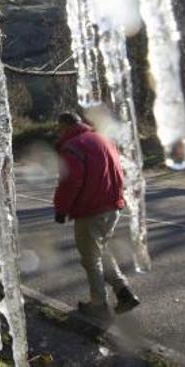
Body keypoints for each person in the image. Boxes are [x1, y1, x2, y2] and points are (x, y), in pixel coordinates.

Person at [52, 111, 140, 318]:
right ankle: (124, 292)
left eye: (59, 128)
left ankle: (98, 304)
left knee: (91, 258)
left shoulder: (73, 146)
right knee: (101, 251)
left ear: (64, 126)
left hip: (91, 209)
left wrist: (61, 208)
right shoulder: (101, 138)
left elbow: (70, 181)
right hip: (112, 205)